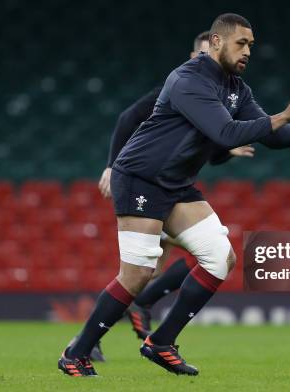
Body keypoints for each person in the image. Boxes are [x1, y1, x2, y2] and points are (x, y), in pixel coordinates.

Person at [59, 13, 290, 377]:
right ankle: (77, 352)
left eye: (251, 45)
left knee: (220, 257)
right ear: (216, 42)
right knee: (137, 274)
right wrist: (281, 116)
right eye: (241, 43)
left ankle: (161, 342)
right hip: (139, 178)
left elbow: (270, 136)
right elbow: (227, 133)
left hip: (176, 185)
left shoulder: (236, 88)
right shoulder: (188, 79)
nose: (248, 50)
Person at [96, 31, 254, 348]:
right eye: (198, 55)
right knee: (143, 273)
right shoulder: (178, 89)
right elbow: (129, 117)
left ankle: (104, 330)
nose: (201, 60)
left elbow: (212, 149)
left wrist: (226, 150)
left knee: (155, 271)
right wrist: (112, 165)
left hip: (173, 188)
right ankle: (95, 336)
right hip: (146, 183)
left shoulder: (217, 98)